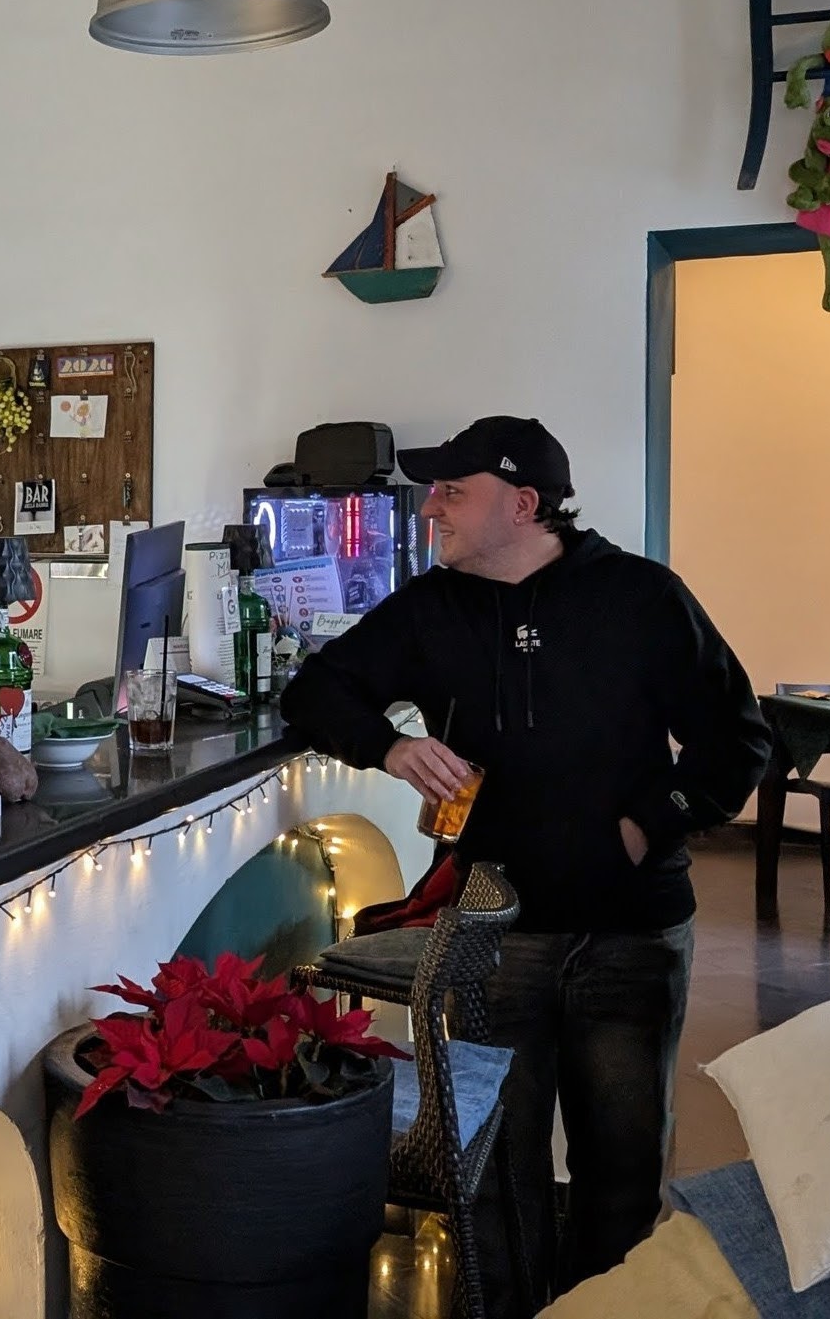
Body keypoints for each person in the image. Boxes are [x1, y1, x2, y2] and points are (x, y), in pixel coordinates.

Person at [281, 416, 769, 1316]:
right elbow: (313, 690)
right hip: (493, 930)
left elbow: (737, 740)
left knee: (620, 1170)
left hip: (632, 931)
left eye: (451, 490)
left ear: (522, 503)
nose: (430, 508)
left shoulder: (640, 596)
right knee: (497, 1171)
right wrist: (388, 748)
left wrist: (643, 825)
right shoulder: (431, 607)